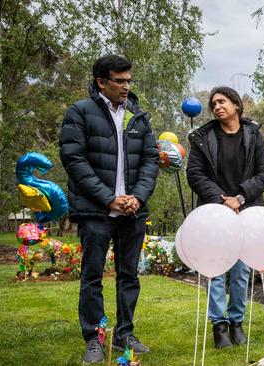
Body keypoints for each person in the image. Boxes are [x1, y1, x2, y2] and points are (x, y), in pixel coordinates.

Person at [59, 55, 159, 363]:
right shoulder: (80, 112)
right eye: (120, 80)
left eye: (129, 80)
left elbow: (150, 160)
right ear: (102, 82)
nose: (127, 86)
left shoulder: (138, 116)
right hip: (96, 211)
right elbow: (74, 160)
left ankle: (124, 334)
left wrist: (138, 198)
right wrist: (108, 197)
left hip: (133, 212)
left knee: (129, 276)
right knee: (92, 276)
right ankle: (94, 338)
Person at [186, 86, 264, 349]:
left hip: (246, 211)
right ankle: (219, 325)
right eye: (213, 104)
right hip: (214, 212)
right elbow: (195, 174)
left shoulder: (253, 134)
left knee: (240, 271)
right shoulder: (203, 137)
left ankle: (236, 323)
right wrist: (221, 199)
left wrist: (240, 198)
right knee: (216, 268)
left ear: (236, 105)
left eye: (222, 101)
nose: (216, 107)